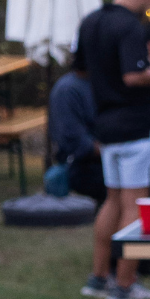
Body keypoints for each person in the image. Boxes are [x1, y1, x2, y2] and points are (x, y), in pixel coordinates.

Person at [74, 0, 150, 299]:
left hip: (106, 126)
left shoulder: (90, 21)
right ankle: (125, 284)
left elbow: (82, 71)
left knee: (112, 201)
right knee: (135, 204)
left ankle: (98, 277)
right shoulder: (130, 26)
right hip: (135, 125)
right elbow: (133, 77)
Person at [47, 66, 102, 208]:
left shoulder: (100, 82)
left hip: (104, 161)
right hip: (81, 168)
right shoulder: (68, 89)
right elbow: (77, 144)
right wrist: (117, 150)